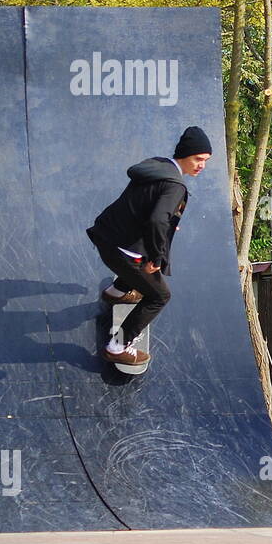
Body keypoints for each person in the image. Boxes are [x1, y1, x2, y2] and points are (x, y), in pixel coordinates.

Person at [85, 126, 212, 365]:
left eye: (206, 161)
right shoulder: (175, 186)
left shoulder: (157, 166)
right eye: (198, 159)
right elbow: (157, 219)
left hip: (105, 235)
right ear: (184, 155)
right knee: (159, 296)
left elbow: (147, 209)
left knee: (137, 264)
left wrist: (166, 224)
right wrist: (157, 257)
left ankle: (116, 292)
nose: (201, 165)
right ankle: (118, 345)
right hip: (122, 251)